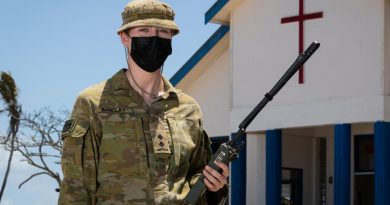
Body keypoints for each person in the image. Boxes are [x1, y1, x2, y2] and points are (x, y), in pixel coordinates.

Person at [58, 0, 229, 204]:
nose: (154, 38)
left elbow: (196, 179)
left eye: (163, 32)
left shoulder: (188, 108)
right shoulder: (93, 103)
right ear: (124, 38)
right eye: (144, 30)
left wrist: (215, 188)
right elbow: (76, 190)